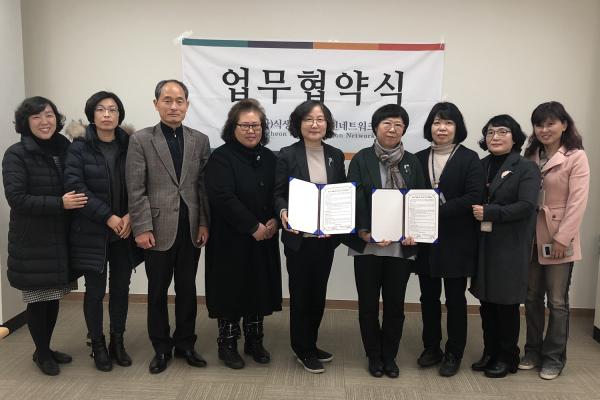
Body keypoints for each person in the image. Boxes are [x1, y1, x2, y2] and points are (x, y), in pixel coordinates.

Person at [126, 79, 210, 374]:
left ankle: (186, 343)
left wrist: (204, 222)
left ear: (187, 105)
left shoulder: (200, 140)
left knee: (187, 288)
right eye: (167, 100)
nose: (174, 106)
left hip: (190, 228)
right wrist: (141, 228)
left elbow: (203, 187)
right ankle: (161, 347)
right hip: (156, 228)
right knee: (157, 290)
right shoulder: (141, 140)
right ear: (156, 104)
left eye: (179, 101)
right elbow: (135, 189)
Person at [2, 96, 88, 376]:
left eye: (49, 115)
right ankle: (41, 352)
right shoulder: (16, 154)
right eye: (36, 116)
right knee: (38, 300)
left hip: (60, 238)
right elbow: (17, 198)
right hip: (33, 241)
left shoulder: (64, 148)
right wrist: (59, 203)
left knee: (53, 296)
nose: (44, 121)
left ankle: (46, 348)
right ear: (25, 122)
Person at [63, 91, 143, 372]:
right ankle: (97, 344)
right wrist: (108, 217)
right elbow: (75, 187)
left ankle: (117, 342)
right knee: (95, 291)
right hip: (92, 231)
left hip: (124, 230)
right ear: (92, 115)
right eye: (101, 109)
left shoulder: (130, 145)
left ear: (120, 115)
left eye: (113, 109)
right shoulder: (79, 147)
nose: (107, 114)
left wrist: (130, 215)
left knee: (121, 289)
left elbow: (141, 182)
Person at [347, 104, 424, 378]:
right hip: (368, 246)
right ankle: (373, 355)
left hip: (401, 248)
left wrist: (416, 230)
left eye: (398, 125)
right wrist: (363, 230)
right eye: (387, 123)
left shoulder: (412, 161)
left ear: (404, 129)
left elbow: (420, 200)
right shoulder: (362, 158)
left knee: (395, 305)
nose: (392, 129)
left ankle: (389, 356)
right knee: (368, 306)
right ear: (375, 127)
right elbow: (354, 197)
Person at [204, 99, 282, 369]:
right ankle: (227, 344)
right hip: (230, 239)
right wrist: (252, 226)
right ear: (232, 127)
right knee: (231, 290)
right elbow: (222, 197)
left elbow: (279, 193)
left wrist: (275, 220)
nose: (251, 131)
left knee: (258, 289)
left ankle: (254, 341)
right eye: (245, 125)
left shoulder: (270, 157)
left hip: (264, 238)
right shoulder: (221, 157)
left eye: (256, 125)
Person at [274, 100, 345, 374]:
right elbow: (278, 193)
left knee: (318, 294)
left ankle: (311, 344)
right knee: (301, 294)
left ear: (327, 124)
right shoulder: (287, 154)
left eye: (320, 119)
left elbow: (342, 194)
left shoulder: (335, 155)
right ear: (299, 123)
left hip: (326, 239)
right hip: (299, 238)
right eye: (308, 119)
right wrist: (283, 211)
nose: (314, 124)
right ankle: (302, 348)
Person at [519, 102, 589, 380]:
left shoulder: (576, 156)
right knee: (531, 297)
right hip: (530, 236)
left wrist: (563, 238)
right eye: (539, 124)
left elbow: (577, 202)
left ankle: (554, 357)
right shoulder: (529, 155)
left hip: (558, 235)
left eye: (550, 123)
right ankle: (532, 351)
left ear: (564, 125)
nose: (544, 129)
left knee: (557, 301)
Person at [414, 102, 484, 376]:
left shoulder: (469, 158)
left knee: (455, 299)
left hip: (457, 240)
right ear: (429, 127)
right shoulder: (418, 158)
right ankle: (431, 347)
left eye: (448, 123)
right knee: (427, 297)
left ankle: (454, 352)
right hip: (425, 240)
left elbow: (474, 196)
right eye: (436, 122)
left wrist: (435, 210)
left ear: (457, 128)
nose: (441, 128)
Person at [470, 114, 540, 378]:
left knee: (506, 303)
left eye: (502, 131)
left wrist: (491, 212)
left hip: (510, 245)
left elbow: (527, 205)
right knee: (486, 301)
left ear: (514, 137)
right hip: (482, 244)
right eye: (490, 132)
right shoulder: (481, 164)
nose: (495, 137)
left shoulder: (526, 167)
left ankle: (508, 356)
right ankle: (490, 352)